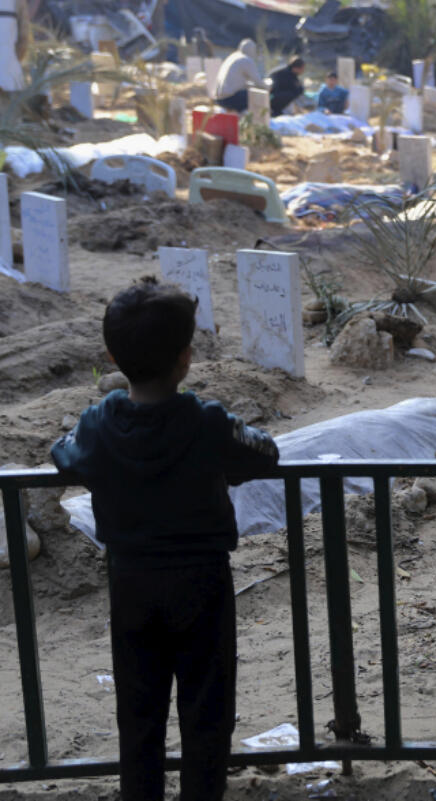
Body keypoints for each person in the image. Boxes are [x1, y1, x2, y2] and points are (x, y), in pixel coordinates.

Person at [50, 278, 280, 801]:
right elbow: (264, 453)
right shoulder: (208, 422)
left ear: (112, 355)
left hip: (131, 582)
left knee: (138, 714)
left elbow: (63, 453)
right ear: (186, 358)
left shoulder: (98, 424)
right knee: (207, 711)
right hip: (202, 582)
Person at [213, 38, 260, 113]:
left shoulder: (233, 57)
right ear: (251, 49)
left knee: (246, 93)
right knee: (256, 95)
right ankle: (255, 119)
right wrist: (269, 86)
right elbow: (258, 82)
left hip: (218, 98)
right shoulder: (246, 59)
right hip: (229, 99)